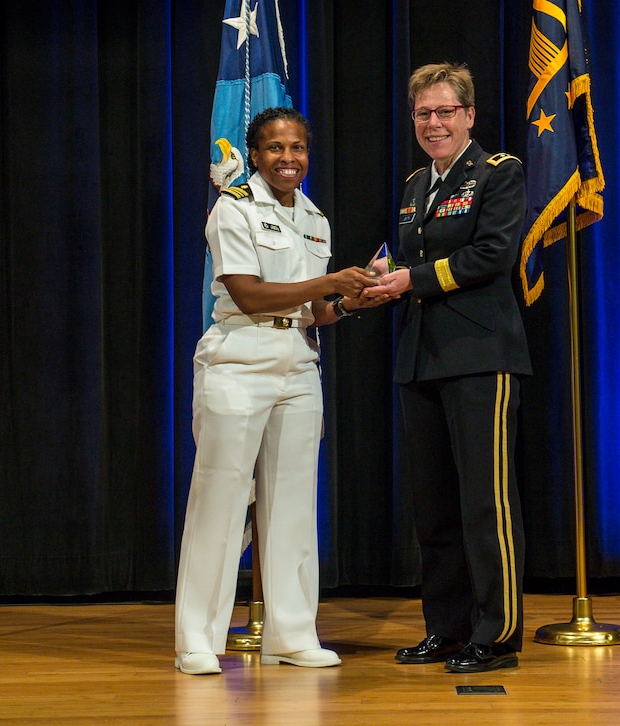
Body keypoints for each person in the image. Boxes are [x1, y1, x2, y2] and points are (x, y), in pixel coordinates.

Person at [174, 107, 388, 675]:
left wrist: (349, 300)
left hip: (297, 361)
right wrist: (328, 282)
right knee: (219, 500)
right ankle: (198, 637)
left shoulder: (314, 218)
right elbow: (248, 294)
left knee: (293, 503)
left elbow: (313, 309)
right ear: (256, 153)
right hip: (238, 359)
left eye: (297, 148)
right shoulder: (234, 207)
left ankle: (291, 635)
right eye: (274, 148)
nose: (288, 158)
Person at [366, 63, 530, 673]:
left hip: (481, 355)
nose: (433, 123)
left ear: (468, 116)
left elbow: (492, 254)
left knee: (486, 503)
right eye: (423, 114)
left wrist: (413, 279)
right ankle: (449, 629)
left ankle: (499, 632)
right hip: (423, 356)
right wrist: (377, 280)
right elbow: (404, 257)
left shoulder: (500, 172)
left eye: (444, 112)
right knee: (434, 509)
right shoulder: (415, 185)